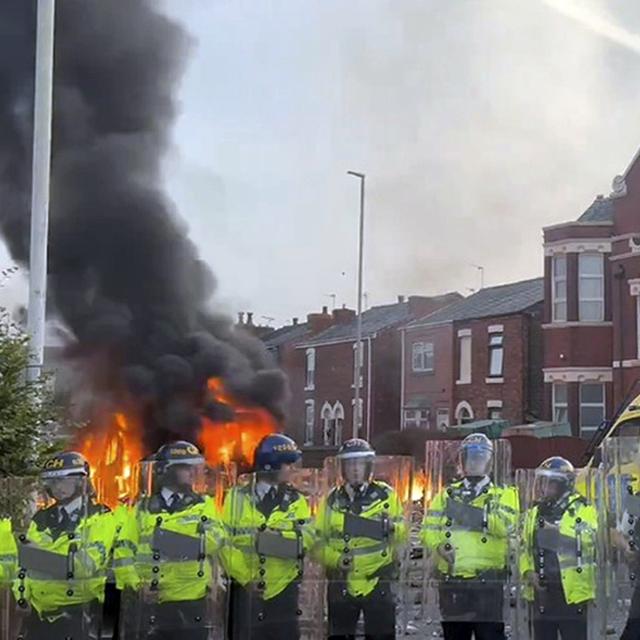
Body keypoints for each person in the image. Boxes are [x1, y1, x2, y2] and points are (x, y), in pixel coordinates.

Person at [113, 440, 223, 640]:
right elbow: (123, 550)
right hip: (152, 599)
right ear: (167, 470)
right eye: (185, 467)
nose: (192, 473)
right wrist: (137, 585)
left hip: (192, 598)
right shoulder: (142, 509)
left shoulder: (203, 504)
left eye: (193, 467)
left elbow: (215, 540)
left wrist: (167, 541)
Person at [422, 433, 518, 640]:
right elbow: (428, 528)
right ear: (462, 462)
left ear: (489, 463)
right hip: (452, 580)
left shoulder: (505, 494)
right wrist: (439, 544)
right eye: (470, 458)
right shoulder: (446, 494)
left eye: (480, 458)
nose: (475, 463)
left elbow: (504, 527)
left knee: (489, 636)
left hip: (488, 581)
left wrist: (467, 513)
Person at [12, 451, 116, 639]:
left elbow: (84, 567)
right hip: (39, 617)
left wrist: (37, 557)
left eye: (63, 480)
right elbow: (23, 566)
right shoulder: (41, 518)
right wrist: (21, 597)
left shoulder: (102, 516)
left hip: (80, 616)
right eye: (53, 482)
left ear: (80, 481)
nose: (58, 487)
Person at [221, 433, 312, 640]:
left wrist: (271, 541)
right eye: (287, 464)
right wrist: (246, 578)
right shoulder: (237, 498)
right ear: (270, 465)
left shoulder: (296, 500)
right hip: (246, 592)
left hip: (284, 590)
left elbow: (306, 541)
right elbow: (224, 543)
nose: (292, 469)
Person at [315, 438, 407, 640]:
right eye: (350, 464)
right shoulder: (331, 500)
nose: (355, 470)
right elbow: (316, 543)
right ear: (343, 469)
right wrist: (337, 560)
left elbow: (402, 532)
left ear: (368, 467)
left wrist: (391, 528)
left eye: (359, 464)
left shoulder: (386, 495)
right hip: (342, 581)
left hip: (378, 580)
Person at [519, 457, 597, 640]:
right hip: (541, 593)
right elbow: (524, 547)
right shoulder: (535, 512)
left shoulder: (583, 508)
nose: (543, 487)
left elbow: (589, 541)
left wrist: (556, 532)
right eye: (542, 481)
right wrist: (528, 571)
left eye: (549, 482)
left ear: (562, 484)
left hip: (571, 593)